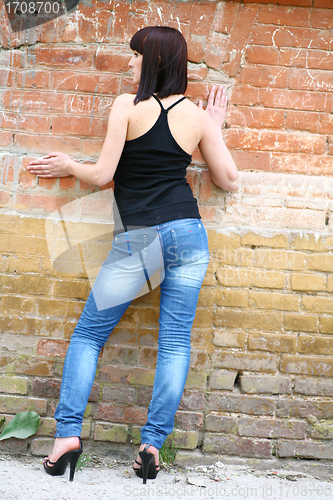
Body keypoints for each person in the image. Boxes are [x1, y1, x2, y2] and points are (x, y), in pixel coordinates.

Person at [27, 25, 238, 484]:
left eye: (136, 56)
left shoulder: (127, 105)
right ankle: (152, 445)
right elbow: (230, 179)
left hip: (140, 239)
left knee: (88, 336)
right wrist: (214, 129)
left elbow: (103, 174)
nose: (131, 63)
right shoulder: (197, 118)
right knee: (176, 341)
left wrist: (66, 166)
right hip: (188, 233)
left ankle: (66, 437)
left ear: (153, 60)